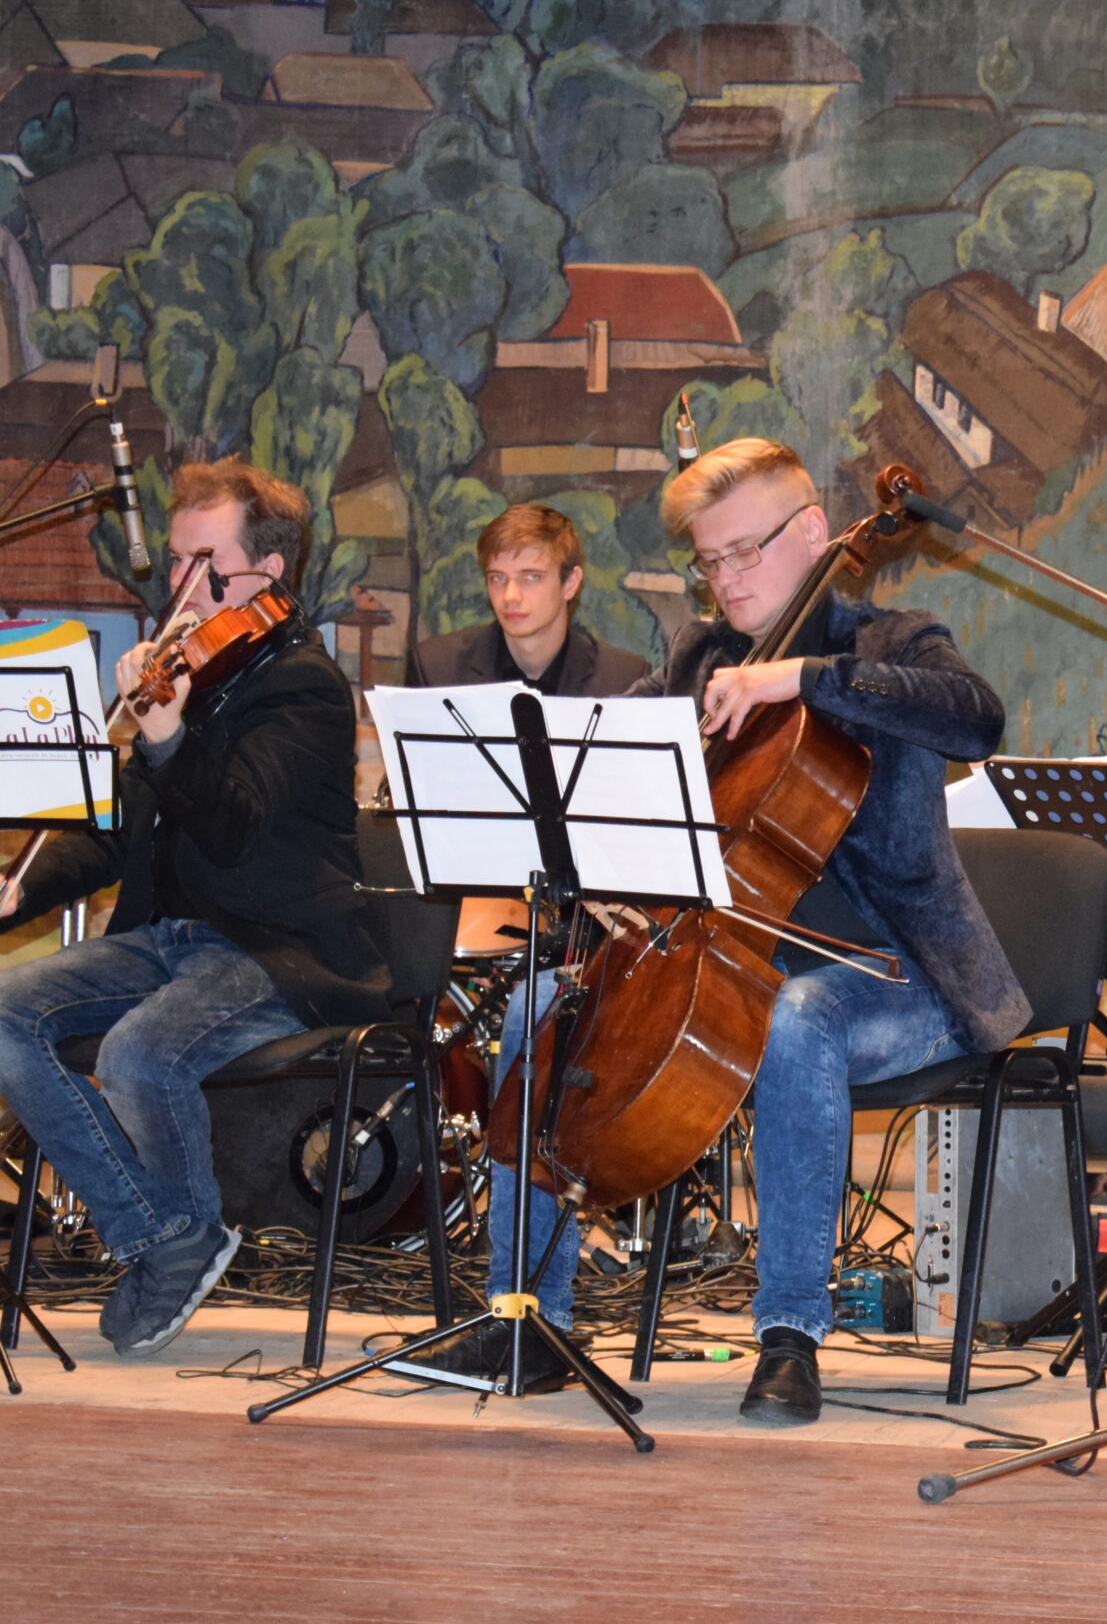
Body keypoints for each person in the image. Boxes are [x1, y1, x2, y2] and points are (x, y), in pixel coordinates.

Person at [389, 439, 1027, 1423]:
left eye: (743, 552)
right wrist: (598, 863)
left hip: (901, 974)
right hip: (718, 964)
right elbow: (594, 762)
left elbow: (975, 718)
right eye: (708, 560)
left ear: (812, 534)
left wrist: (802, 680)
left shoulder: (894, 642)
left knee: (797, 1018)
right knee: (534, 1009)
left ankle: (790, 1334)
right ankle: (526, 1320)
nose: (723, 579)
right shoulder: (699, 659)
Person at [0, 461, 387, 1356]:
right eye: (176, 561)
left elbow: (234, 825)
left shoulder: (306, 687)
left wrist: (168, 732)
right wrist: (23, 887)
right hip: (168, 940)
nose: (178, 583)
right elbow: (120, 832)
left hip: (277, 949)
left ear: (268, 570)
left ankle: (173, 1234)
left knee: (138, 1053)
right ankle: (167, 1235)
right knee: (8, 1014)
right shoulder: (198, 675)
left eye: (202, 564)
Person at [409, 503, 651, 697]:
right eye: (497, 578)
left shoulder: (623, 679)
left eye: (531, 577)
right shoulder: (436, 670)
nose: (510, 596)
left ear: (570, 583)